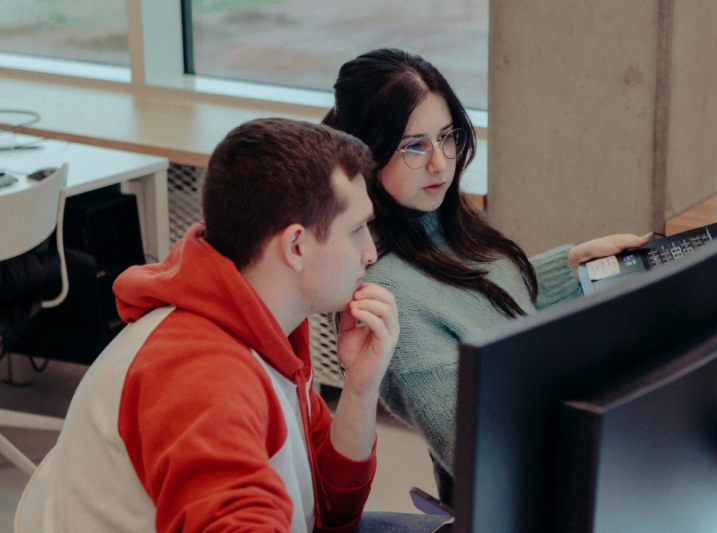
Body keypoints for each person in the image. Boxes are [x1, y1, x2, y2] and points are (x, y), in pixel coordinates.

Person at [32, 118, 448, 533]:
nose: (370, 252)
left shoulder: (270, 325)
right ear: (296, 245)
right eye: (357, 230)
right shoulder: (201, 374)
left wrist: (359, 389)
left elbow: (328, 513)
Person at [322, 48, 651, 504]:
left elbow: (477, 302)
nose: (440, 162)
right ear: (368, 155)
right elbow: (484, 451)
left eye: (447, 137)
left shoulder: (434, 215)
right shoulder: (392, 291)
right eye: (413, 146)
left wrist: (573, 264)